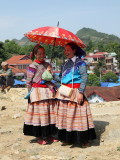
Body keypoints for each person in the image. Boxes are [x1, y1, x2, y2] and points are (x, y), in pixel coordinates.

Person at [54, 42, 96, 147]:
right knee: (66, 117)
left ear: (74, 50)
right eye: (65, 50)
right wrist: (51, 75)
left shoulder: (81, 63)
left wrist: (81, 92)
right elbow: (60, 79)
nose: (66, 52)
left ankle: (83, 140)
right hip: (64, 93)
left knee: (79, 117)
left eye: (68, 50)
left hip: (76, 92)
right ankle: (68, 139)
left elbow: (84, 78)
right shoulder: (64, 64)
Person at [23, 44, 58, 145]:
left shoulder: (48, 65)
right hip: (38, 93)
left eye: (44, 53)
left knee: (50, 114)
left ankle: (49, 135)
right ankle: (39, 136)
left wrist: (50, 72)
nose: (42, 55)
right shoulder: (32, 66)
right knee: (40, 116)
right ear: (35, 54)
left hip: (49, 93)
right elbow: (29, 82)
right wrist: (30, 95)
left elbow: (52, 78)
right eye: (40, 53)